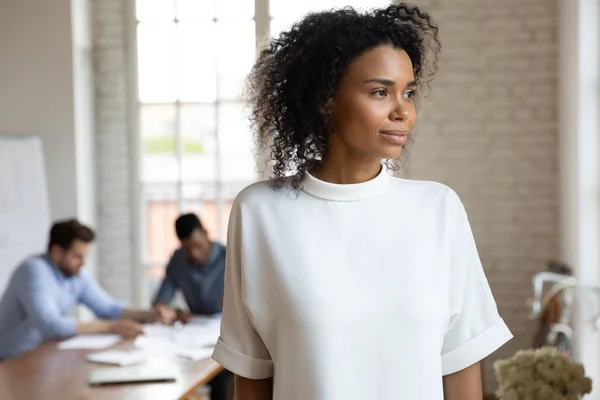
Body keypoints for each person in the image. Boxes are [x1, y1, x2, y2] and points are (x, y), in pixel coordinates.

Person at [212, 4, 513, 400]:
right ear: (325, 100)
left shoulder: (438, 209)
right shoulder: (260, 212)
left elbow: (460, 363)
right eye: (379, 92)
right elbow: (252, 373)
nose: (403, 110)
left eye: (408, 92)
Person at [0, 219, 176, 360]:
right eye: (77, 256)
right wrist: (111, 327)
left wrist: (150, 314)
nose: (83, 263)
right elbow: (51, 326)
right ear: (56, 251)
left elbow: (108, 308)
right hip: (10, 361)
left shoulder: (74, 274)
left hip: (42, 356)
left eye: (84, 257)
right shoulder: (34, 271)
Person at [153, 213, 229, 400]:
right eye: (187, 249)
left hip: (224, 332)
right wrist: (169, 312)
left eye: (197, 246)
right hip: (192, 336)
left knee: (221, 374)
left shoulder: (229, 256)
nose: (194, 253)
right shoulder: (178, 260)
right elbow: (160, 301)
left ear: (205, 233)